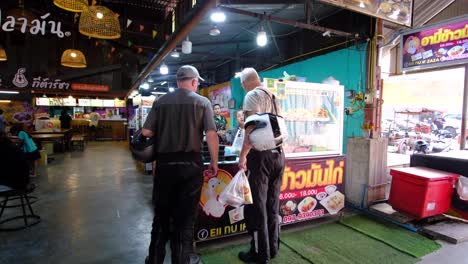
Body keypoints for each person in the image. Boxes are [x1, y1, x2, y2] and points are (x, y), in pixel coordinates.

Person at [142, 65, 219, 264]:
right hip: (191, 166)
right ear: (194, 81)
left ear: (178, 81)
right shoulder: (203, 102)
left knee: (161, 218)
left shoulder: (160, 101)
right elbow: (211, 134)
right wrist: (214, 161)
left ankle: (155, 260)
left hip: (165, 166)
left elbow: (147, 133)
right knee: (185, 221)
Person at [237, 68, 285, 264]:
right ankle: (272, 249)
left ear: (244, 84)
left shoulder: (251, 96)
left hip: (261, 157)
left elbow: (251, 130)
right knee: (272, 205)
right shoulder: (273, 96)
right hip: (279, 155)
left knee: (258, 208)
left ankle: (259, 255)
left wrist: (242, 157)